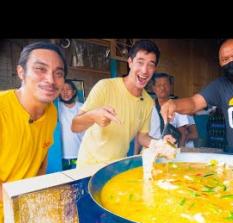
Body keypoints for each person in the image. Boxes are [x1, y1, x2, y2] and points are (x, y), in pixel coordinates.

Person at [0, 41, 67, 223]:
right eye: (40, 69)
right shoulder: (2, 109)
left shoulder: (50, 113)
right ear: (21, 72)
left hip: (17, 222)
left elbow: (41, 159)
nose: (50, 79)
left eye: (58, 73)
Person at [72, 40, 174, 169]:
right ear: (130, 62)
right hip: (89, 167)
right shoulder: (105, 86)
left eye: (150, 65)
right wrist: (93, 116)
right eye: (140, 62)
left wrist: (159, 144)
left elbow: (142, 136)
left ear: (154, 69)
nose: (144, 70)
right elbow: (75, 126)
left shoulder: (148, 101)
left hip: (117, 166)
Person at [135, 72, 196, 154]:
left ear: (170, 87)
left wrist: (178, 154)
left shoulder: (178, 107)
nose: (162, 88)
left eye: (166, 84)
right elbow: (139, 135)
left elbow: (183, 134)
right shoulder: (147, 107)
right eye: (159, 85)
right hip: (151, 151)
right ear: (153, 88)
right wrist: (135, 154)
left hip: (169, 152)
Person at [58, 79, 85, 170]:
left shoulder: (82, 107)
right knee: (64, 182)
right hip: (61, 157)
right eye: (62, 89)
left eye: (68, 89)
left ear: (73, 92)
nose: (65, 92)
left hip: (79, 154)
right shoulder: (56, 108)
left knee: (78, 180)